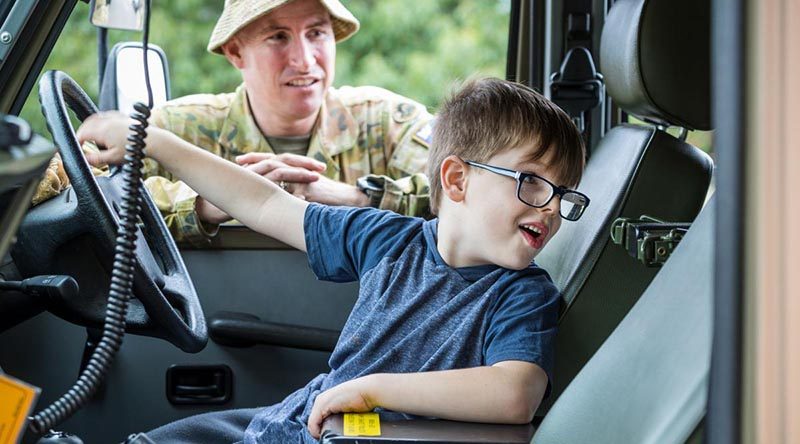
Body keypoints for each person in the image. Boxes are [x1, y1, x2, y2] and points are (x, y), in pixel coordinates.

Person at [76, 77, 589, 443]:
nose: (551, 208)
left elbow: (514, 392)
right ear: (456, 179)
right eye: (532, 182)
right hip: (298, 419)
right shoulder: (388, 240)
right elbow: (266, 204)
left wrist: (369, 390)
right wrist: (158, 144)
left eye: (564, 194)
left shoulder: (521, 293)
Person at [34, 0, 435, 247]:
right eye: (278, 37)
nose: (305, 59)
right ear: (235, 52)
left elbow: (472, 195)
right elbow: (72, 190)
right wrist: (207, 203)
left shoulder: (388, 121)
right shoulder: (176, 129)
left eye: (316, 33)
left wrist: (353, 198)